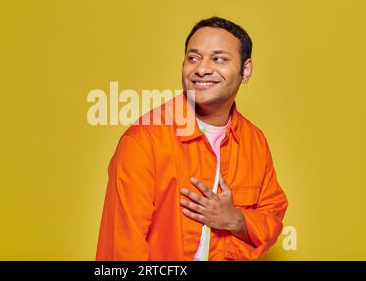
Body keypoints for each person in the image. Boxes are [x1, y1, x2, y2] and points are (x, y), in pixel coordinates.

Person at [96, 16, 288, 260]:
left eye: (218, 59)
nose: (201, 69)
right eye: (193, 58)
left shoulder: (255, 141)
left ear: (245, 70)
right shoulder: (144, 140)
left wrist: (236, 220)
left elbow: (272, 216)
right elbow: (121, 250)